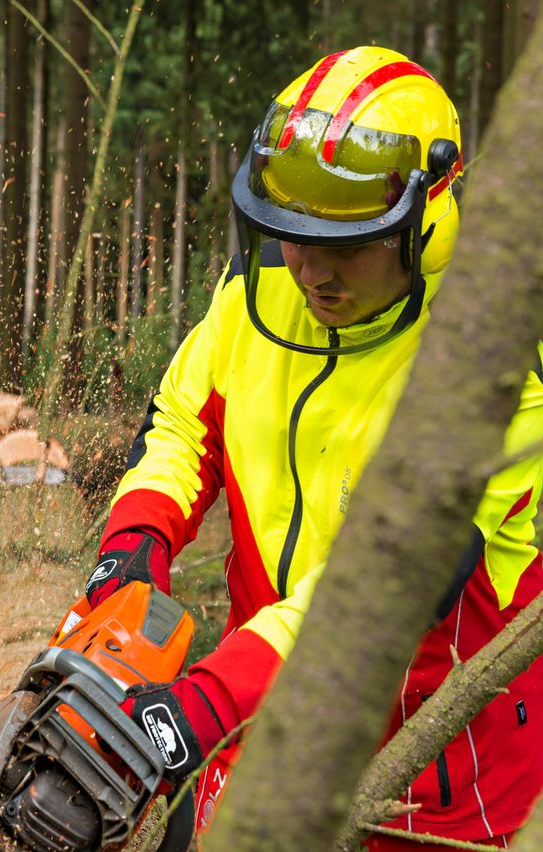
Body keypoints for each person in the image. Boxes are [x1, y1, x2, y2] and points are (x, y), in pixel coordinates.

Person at [82, 46, 542, 848]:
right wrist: (135, 544)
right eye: (289, 234)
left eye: (346, 246)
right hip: (258, 722)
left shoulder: (496, 377)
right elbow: (184, 427)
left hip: (427, 781)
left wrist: (208, 700)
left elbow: (381, 592)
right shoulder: (254, 299)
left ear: (426, 218)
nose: (308, 271)